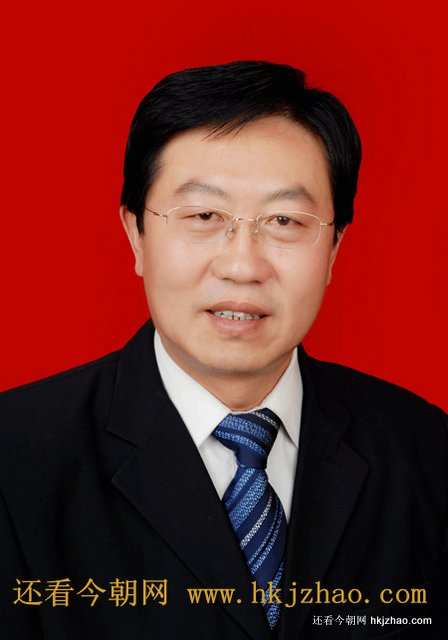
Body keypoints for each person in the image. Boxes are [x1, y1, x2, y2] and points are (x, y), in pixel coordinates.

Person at [0, 61, 446, 640]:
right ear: (136, 235)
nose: (242, 266)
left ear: (334, 249)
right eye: (204, 216)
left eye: (284, 220)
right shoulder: (16, 458)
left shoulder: (425, 451)